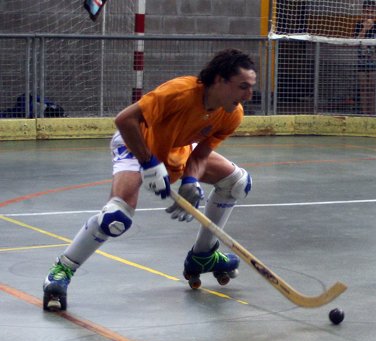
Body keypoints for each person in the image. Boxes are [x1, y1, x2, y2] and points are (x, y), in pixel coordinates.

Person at [41, 48, 257, 311]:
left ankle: (203, 256)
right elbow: (125, 120)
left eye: (251, 87)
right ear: (220, 80)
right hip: (136, 143)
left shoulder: (232, 113)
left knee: (236, 183)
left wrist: (191, 180)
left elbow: (201, 152)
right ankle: (62, 270)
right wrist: (149, 163)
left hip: (175, 148)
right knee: (116, 218)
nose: (249, 94)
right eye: (243, 87)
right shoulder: (180, 92)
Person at [353, 0, 376, 115]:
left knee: (372, 87)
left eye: (371, 11)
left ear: (375, 12)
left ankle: (372, 112)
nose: (369, 14)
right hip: (361, 61)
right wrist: (364, 29)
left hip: (374, 62)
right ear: (363, 12)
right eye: (367, 11)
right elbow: (355, 42)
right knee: (363, 87)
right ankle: (364, 112)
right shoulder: (358, 25)